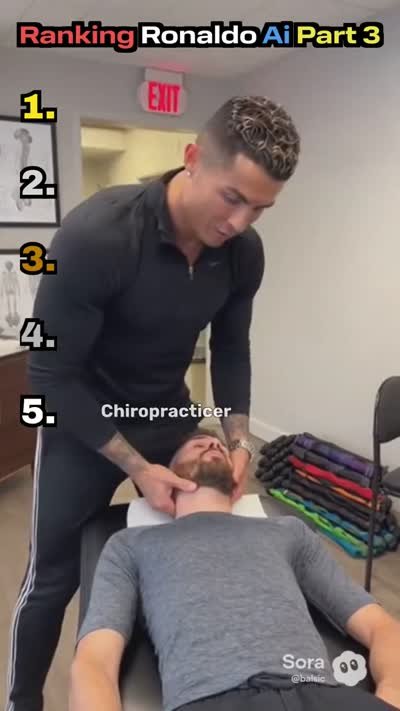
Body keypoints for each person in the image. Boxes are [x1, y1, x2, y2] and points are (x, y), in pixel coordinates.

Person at [5, 96, 301, 711]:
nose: (241, 222)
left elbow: (232, 349)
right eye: (232, 198)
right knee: (52, 578)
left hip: (166, 412)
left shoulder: (243, 253)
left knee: (205, 541)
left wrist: (239, 442)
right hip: (82, 418)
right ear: (192, 158)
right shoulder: (95, 236)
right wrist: (137, 466)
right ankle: (22, 701)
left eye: (260, 208)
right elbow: (49, 377)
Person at [70, 430, 400, 711]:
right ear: (167, 474)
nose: (213, 445)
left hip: (319, 693)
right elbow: (94, 661)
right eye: (197, 445)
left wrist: (391, 697)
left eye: (219, 446)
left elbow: (380, 626)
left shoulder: (288, 531)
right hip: (214, 700)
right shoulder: (131, 544)